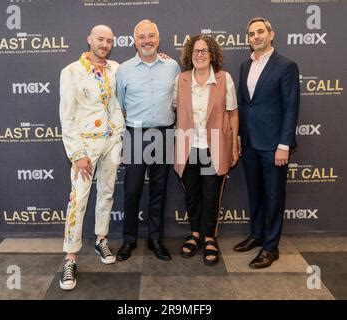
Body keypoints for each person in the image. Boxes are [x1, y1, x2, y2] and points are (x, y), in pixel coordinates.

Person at [59, 25, 125, 290]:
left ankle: (101, 240)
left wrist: (162, 57)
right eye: (101, 39)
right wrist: (77, 154)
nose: (105, 44)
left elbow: (139, 68)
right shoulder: (71, 72)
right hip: (85, 145)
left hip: (112, 141)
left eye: (109, 40)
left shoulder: (117, 68)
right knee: (79, 199)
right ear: (89, 39)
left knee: (107, 193)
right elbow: (67, 116)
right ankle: (70, 258)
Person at [234, 17, 300, 268]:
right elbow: (243, 105)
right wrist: (240, 137)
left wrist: (284, 144)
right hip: (250, 143)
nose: (255, 37)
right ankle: (257, 235)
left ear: (271, 34)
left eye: (260, 32)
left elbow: (291, 107)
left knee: (274, 196)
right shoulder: (244, 66)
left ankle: (271, 247)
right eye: (251, 34)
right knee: (256, 194)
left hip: (274, 146)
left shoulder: (286, 66)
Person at [116, 19, 180, 261]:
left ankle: (155, 239)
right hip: (135, 134)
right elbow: (120, 105)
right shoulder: (123, 70)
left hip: (164, 133)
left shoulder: (172, 65)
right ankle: (128, 240)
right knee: (131, 190)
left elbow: (177, 100)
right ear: (134, 41)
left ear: (158, 39)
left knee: (159, 190)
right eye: (142, 36)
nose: (147, 41)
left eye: (151, 36)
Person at [173, 35, 239, 266]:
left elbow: (232, 113)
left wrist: (233, 146)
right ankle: (195, 234)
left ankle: (210, 237)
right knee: (191, 196)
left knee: (211, 196)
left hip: (215, 147)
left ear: (212, 54)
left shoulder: (224, 79)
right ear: (190, 55)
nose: (199, 54)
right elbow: (175, 108)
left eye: (204, 51)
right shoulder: (181, 80)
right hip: (188, 147)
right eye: (196, 51)